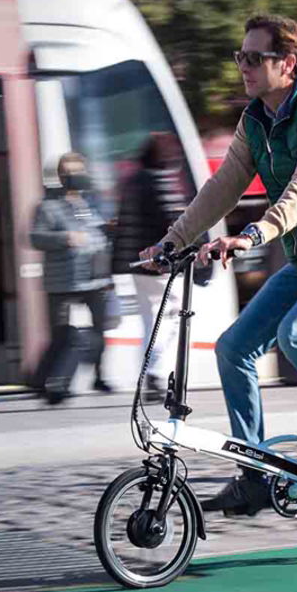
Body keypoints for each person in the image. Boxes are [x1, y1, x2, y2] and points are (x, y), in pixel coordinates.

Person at [140, 14, 297, 516]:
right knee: (233, 347)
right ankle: (254, 474)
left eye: (254, 58)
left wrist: (254, 234)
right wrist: (172, 241)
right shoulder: (255, 120)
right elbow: (223, 187)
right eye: (241, 57)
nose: (243, 68)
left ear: (289, 64)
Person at [31, 152, 114, 403]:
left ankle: (99, 376)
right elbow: (35, 238)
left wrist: (108, 231)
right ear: (60, 176)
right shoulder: (47, 206)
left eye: (78, 171)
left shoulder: (91, 205)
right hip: (63, 282)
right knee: (61, 334)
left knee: (99, 331)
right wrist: (64, 238)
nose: (74, 177)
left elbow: (99, 233)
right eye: (69, 172)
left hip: (94, 278)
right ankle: (42, 380)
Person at [113, 132, 190, 402]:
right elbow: (177, 224)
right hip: (160, 266)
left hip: (137, 265)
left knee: (150, 321)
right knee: (170, 320)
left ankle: (148, 375)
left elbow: (122, 225)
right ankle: (156, 374)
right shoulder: (161, 181)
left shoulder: (131, 182)